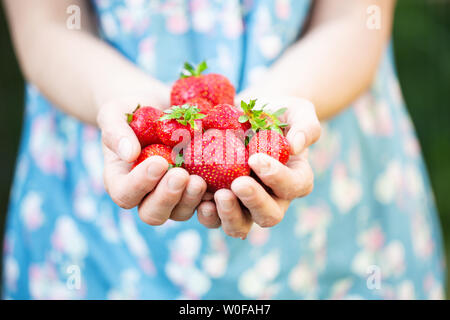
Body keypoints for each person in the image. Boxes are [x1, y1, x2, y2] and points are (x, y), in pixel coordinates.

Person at [2, 0, 444, 299]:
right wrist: (122, 102)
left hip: (332, 182)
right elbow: (48, 23)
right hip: (92, 204)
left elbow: (355, 18)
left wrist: (277, 100)